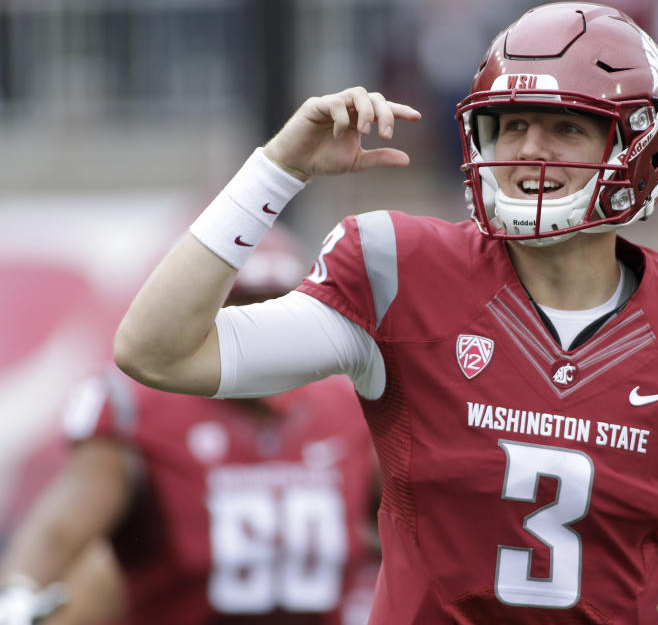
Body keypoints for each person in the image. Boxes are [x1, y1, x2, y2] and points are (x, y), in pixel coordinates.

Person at [113, 1, 658, 625]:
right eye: (512, 123)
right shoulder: (401, 273)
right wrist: (278, 168)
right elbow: (158, 351)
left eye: (566, 128)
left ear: (638, 145)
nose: (529, 152)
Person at [0, 228, 378, 625]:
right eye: (237, 306)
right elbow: (57, 535)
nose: (258, 325)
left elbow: (419, 525)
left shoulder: (346, 407)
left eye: (273, 306)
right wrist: (17, 595)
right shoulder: (138, 409)